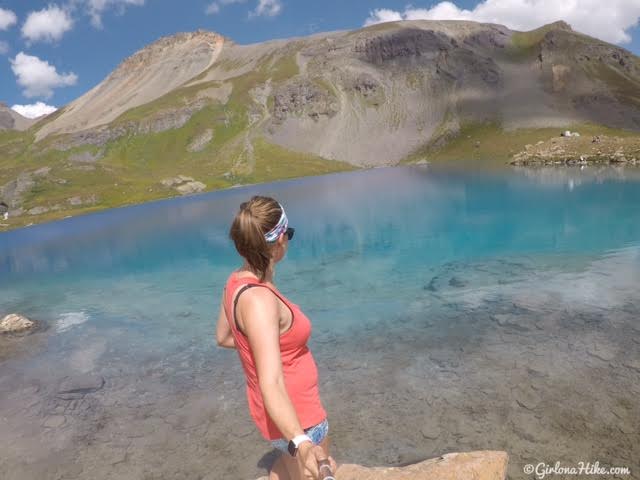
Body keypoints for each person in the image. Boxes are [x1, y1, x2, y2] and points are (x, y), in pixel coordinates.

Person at [216, 195, 337, 480]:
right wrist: (303, 443)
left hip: (275, 415)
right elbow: (270, 381)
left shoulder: (236, 281)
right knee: (319, 470)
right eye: (289, 233)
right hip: (298, 417)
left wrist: (265, 346)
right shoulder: (260, 301)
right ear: (280, 239)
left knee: (286, 469)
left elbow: (223, 336)